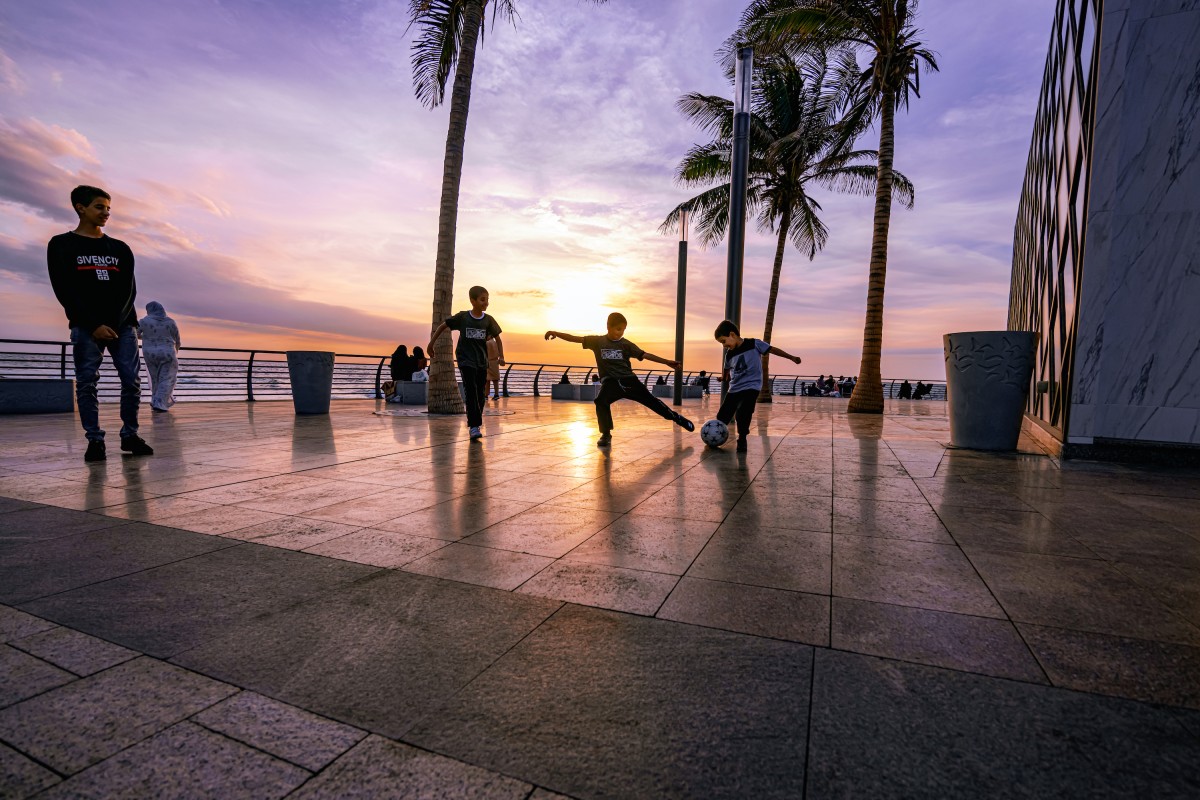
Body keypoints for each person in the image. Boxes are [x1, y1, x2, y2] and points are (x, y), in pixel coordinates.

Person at [47, 185, 153, 462]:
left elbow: (129, 291)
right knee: (86, 383)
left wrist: (114, 325)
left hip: (123, 326)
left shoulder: (120, 248)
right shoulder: (61, 245)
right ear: (80, 208)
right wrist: (93, 325)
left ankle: (130, 435)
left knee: (131, 382)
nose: (106, 213)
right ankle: (95, 440)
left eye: (108, 208)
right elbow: (64, 289)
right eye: (99, 207)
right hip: (85, 328)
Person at [546, 312, 693, 447]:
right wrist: (556, 333)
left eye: (623, 330)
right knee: (601, 401)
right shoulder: (597, 342)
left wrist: (666, 361)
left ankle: (676, 418)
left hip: (630, 381)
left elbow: (645, 355)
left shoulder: (626, 344)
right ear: (608, 327)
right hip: (611, 383)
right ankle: (606, 434)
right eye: (617, 329)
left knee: (653, 402)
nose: (620, 333)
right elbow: (575, 338)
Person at [714, 320, 802, 452]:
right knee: (722, 416)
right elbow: (726, 371)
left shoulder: (754, 344)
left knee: (744, 412)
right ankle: (714, 436)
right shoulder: (729, 354)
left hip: (752, 386)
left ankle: (742, 439)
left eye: (723, 341)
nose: (724, 346)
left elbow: (773, 350)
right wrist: (723, 377)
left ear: (732, 334)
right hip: (735, 388)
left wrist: (791, 357)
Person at [428, 285, 504, 440]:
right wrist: (431, 344)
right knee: (470, 391)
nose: (486, 303)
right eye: (483, 299)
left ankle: (475, 422)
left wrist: (501, 356)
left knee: (480, 394)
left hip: (481, 362)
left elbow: (498, 338)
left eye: (487, 300)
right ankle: (474, 426)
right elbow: (444, 325)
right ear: (473, 300)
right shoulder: (463, 317)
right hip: (465, 360)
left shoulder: (488, 320)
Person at [139, 301, 181, 412]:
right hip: (167, 353)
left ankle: (155, 400)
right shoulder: (171, 322)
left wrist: (148, 336)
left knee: (155, 377)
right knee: (168, 378)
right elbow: (177, 339)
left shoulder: (144, 321)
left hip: (150, 353)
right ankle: (160, 403)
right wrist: (176, 350)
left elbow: (136, 334)